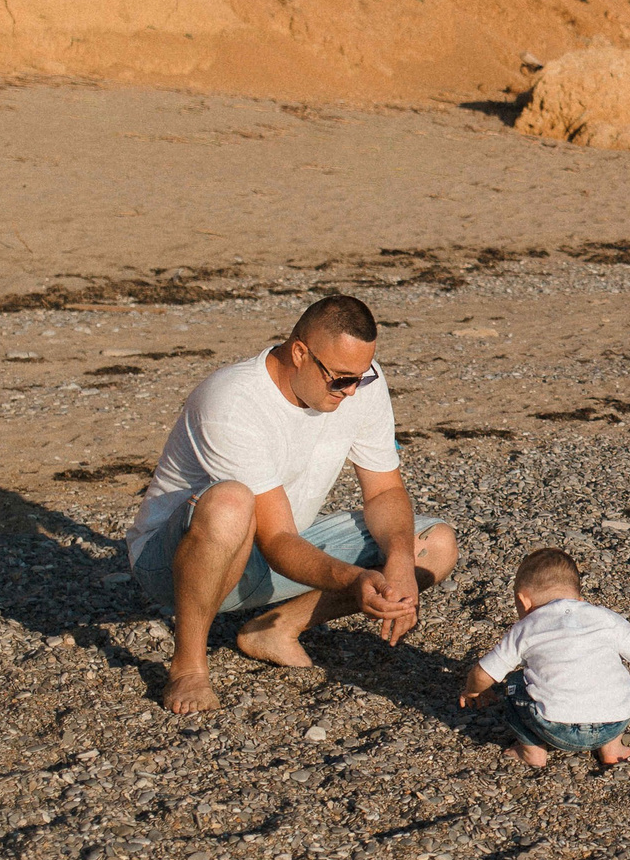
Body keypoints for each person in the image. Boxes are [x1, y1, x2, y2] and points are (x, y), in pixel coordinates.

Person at [126, 295, 458, 714]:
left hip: (276, 547)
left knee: (435, 544)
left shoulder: (359, 381)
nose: (352, 390)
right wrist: (354, 579)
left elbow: (384, 492)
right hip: (174, 565)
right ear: (300, 353)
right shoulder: (233, 401)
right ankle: (189, 664)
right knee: (231, 502)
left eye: (360, 377)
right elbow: (277, 539)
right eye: (339, 378)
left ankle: (276, 628)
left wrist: (398, 561)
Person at [460, 549, 630, 768]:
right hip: (614, 722)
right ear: (579, 598)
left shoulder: (526, 627)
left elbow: (483, 672)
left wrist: (474, 690)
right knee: (611, 675)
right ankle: (612, 748)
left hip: (556, 727)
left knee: (514, 683)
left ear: (523, 601)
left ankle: (532, 750)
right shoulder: (605, 618)